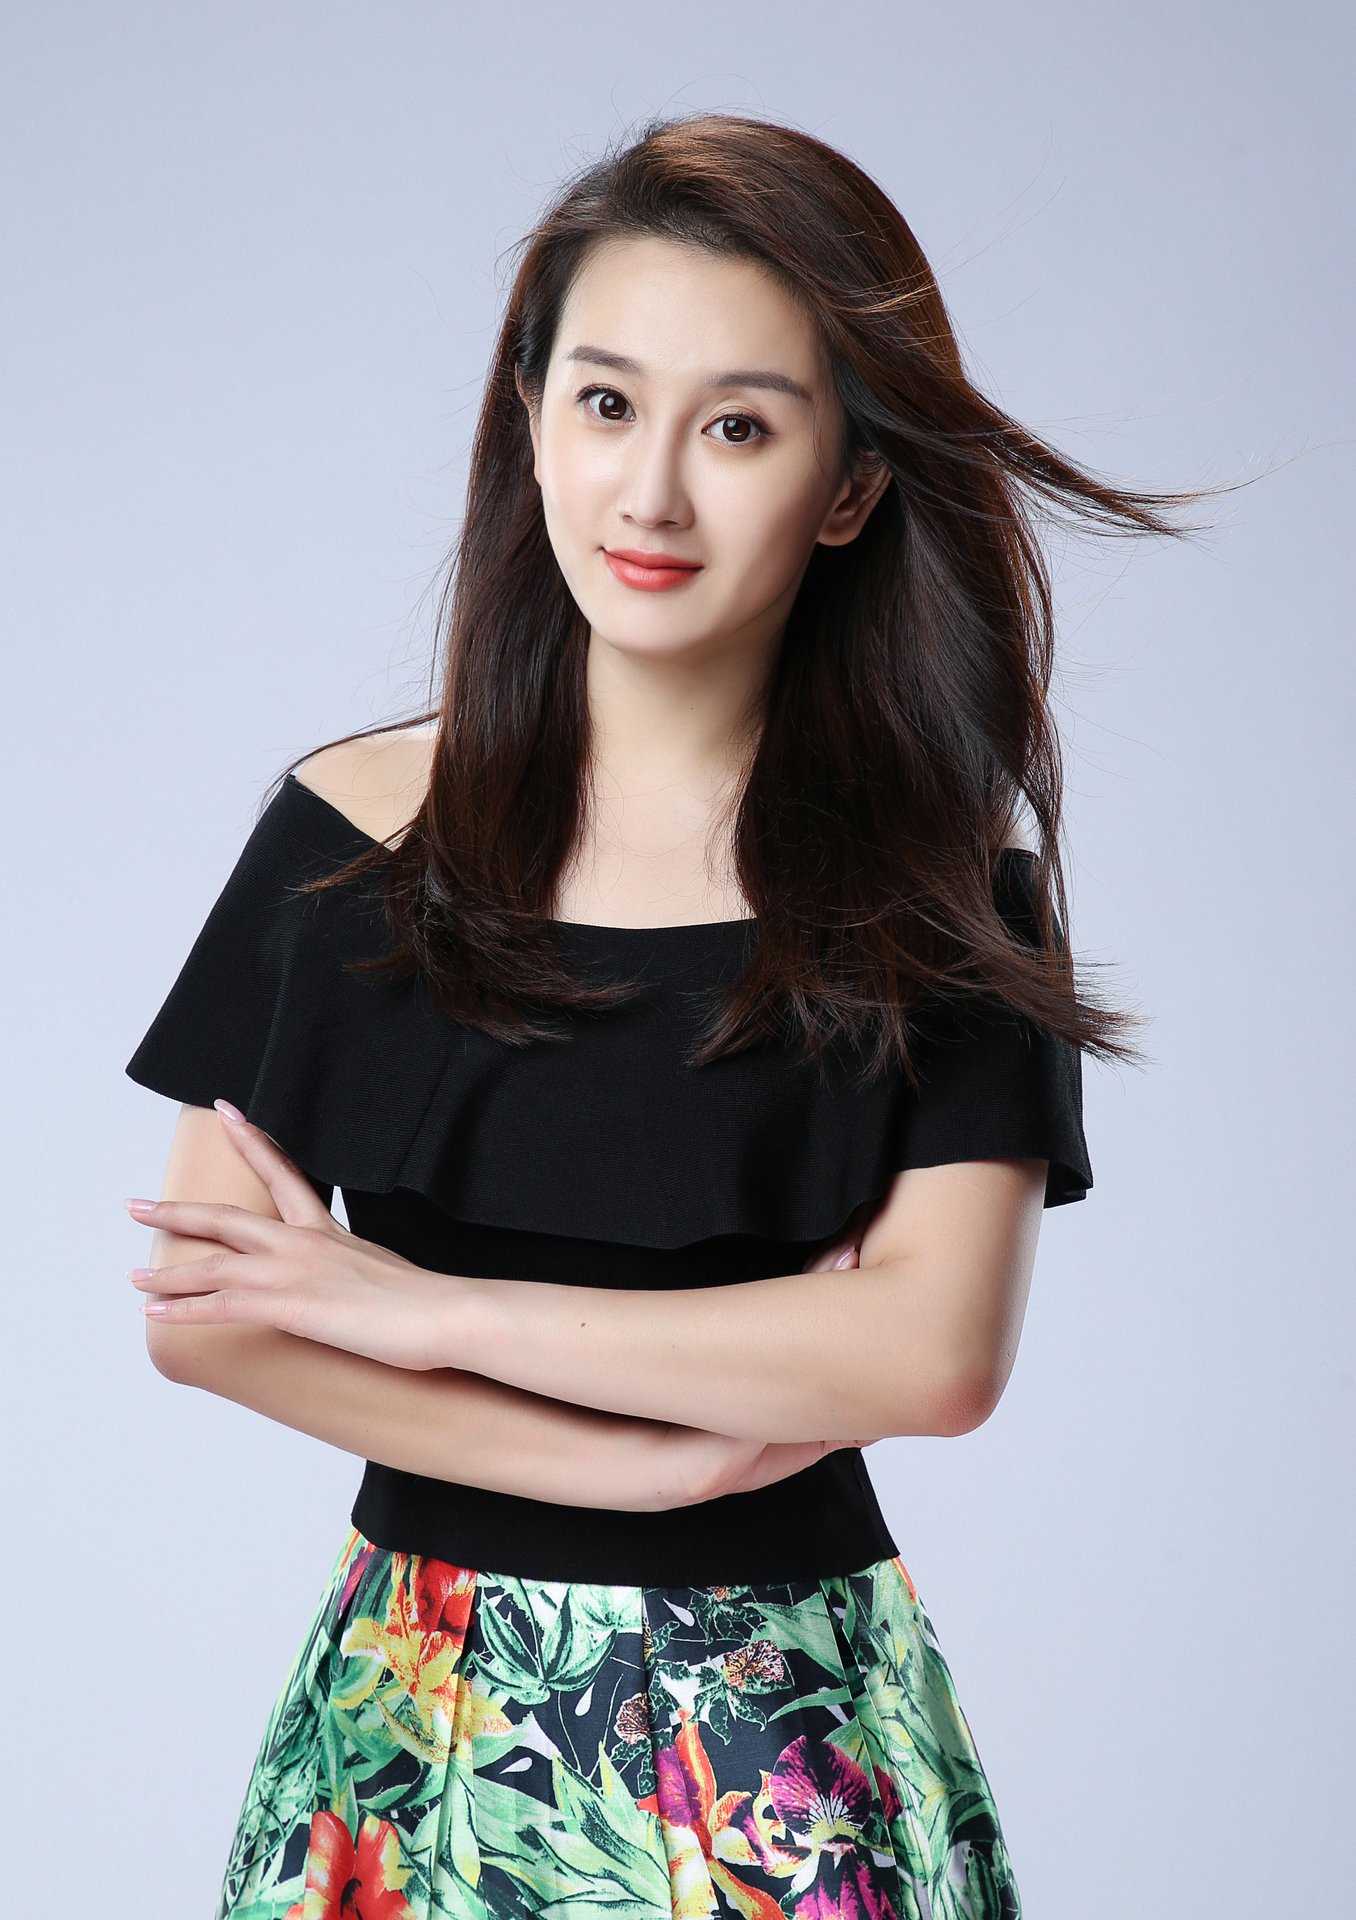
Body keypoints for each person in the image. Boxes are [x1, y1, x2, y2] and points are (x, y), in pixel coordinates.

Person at [123, 111, 1207, 1920]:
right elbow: (209, 1316)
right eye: (609, 404)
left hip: (789, 1737)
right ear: (531, 419)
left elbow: (935, 1354)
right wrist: (638, 1472)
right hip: (417, 1734)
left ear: (848, 487)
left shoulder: (943, 886)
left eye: (740, 427)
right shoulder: (353, 830)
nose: (650, 497)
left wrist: (425, 1311)